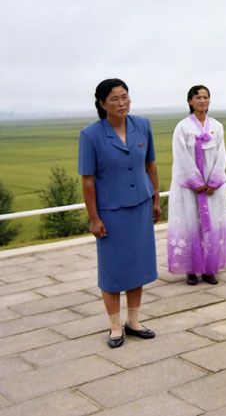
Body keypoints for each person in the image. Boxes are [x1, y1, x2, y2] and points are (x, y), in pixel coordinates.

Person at [79, 78, 160, 348]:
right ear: (102, 104)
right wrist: (94, 218)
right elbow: (87, 180)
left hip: (140, 206)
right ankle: (115, 326)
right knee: (113, 270)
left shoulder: (143, 125)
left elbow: (150, 164)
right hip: (110, 212)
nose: (122, 103)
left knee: (138, 265)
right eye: (114, 99)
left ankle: (133, 321)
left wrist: (156, 200)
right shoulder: (90, 135)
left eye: (125, 97)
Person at [167, 85, 226, 285]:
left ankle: (210, 269)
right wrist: (195, 182)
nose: (202, 101)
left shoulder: (217, 126)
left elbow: (221, 155)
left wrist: (214, 181)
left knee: (212, 223)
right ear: (190, 101)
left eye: (205, 97)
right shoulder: (182, 127)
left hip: (211, 187)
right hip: (190, 187)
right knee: (191, 223)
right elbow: (180, 156)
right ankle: (192, 269)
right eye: (198, 97)